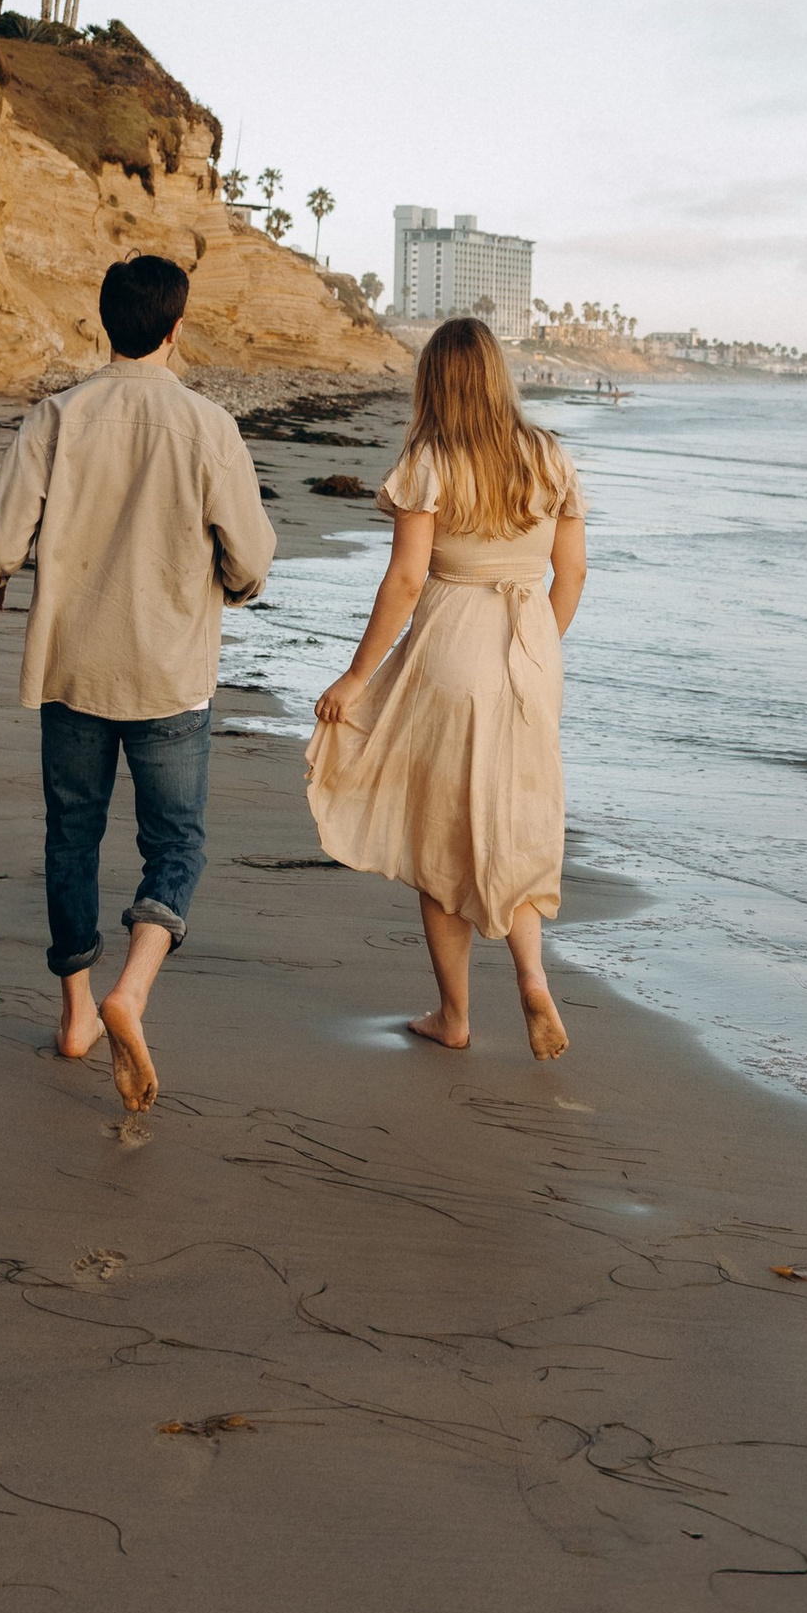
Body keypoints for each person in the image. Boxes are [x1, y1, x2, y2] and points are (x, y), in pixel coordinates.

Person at [0, 252, 274, 1111]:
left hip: (73, 663)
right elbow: (250, 558)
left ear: (107, 325)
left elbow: (2, 540)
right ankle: (130, 991)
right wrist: (227, 588)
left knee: (73, 835)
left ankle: (75, 1015)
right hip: (170, 670)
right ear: (176, 328)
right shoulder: (209, 426)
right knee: (175, 845)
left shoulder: (57, 416)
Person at [305, 315, 586, 1061]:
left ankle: (454, 1016)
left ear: (434, 382)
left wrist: (357, 676)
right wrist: (540, 649)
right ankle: (531, 977)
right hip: (532, 652)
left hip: (453, 645)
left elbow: (406, 580)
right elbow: (572, 574)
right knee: (516, 815)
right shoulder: (549, 455)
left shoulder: (430, 460)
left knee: (439, 833)